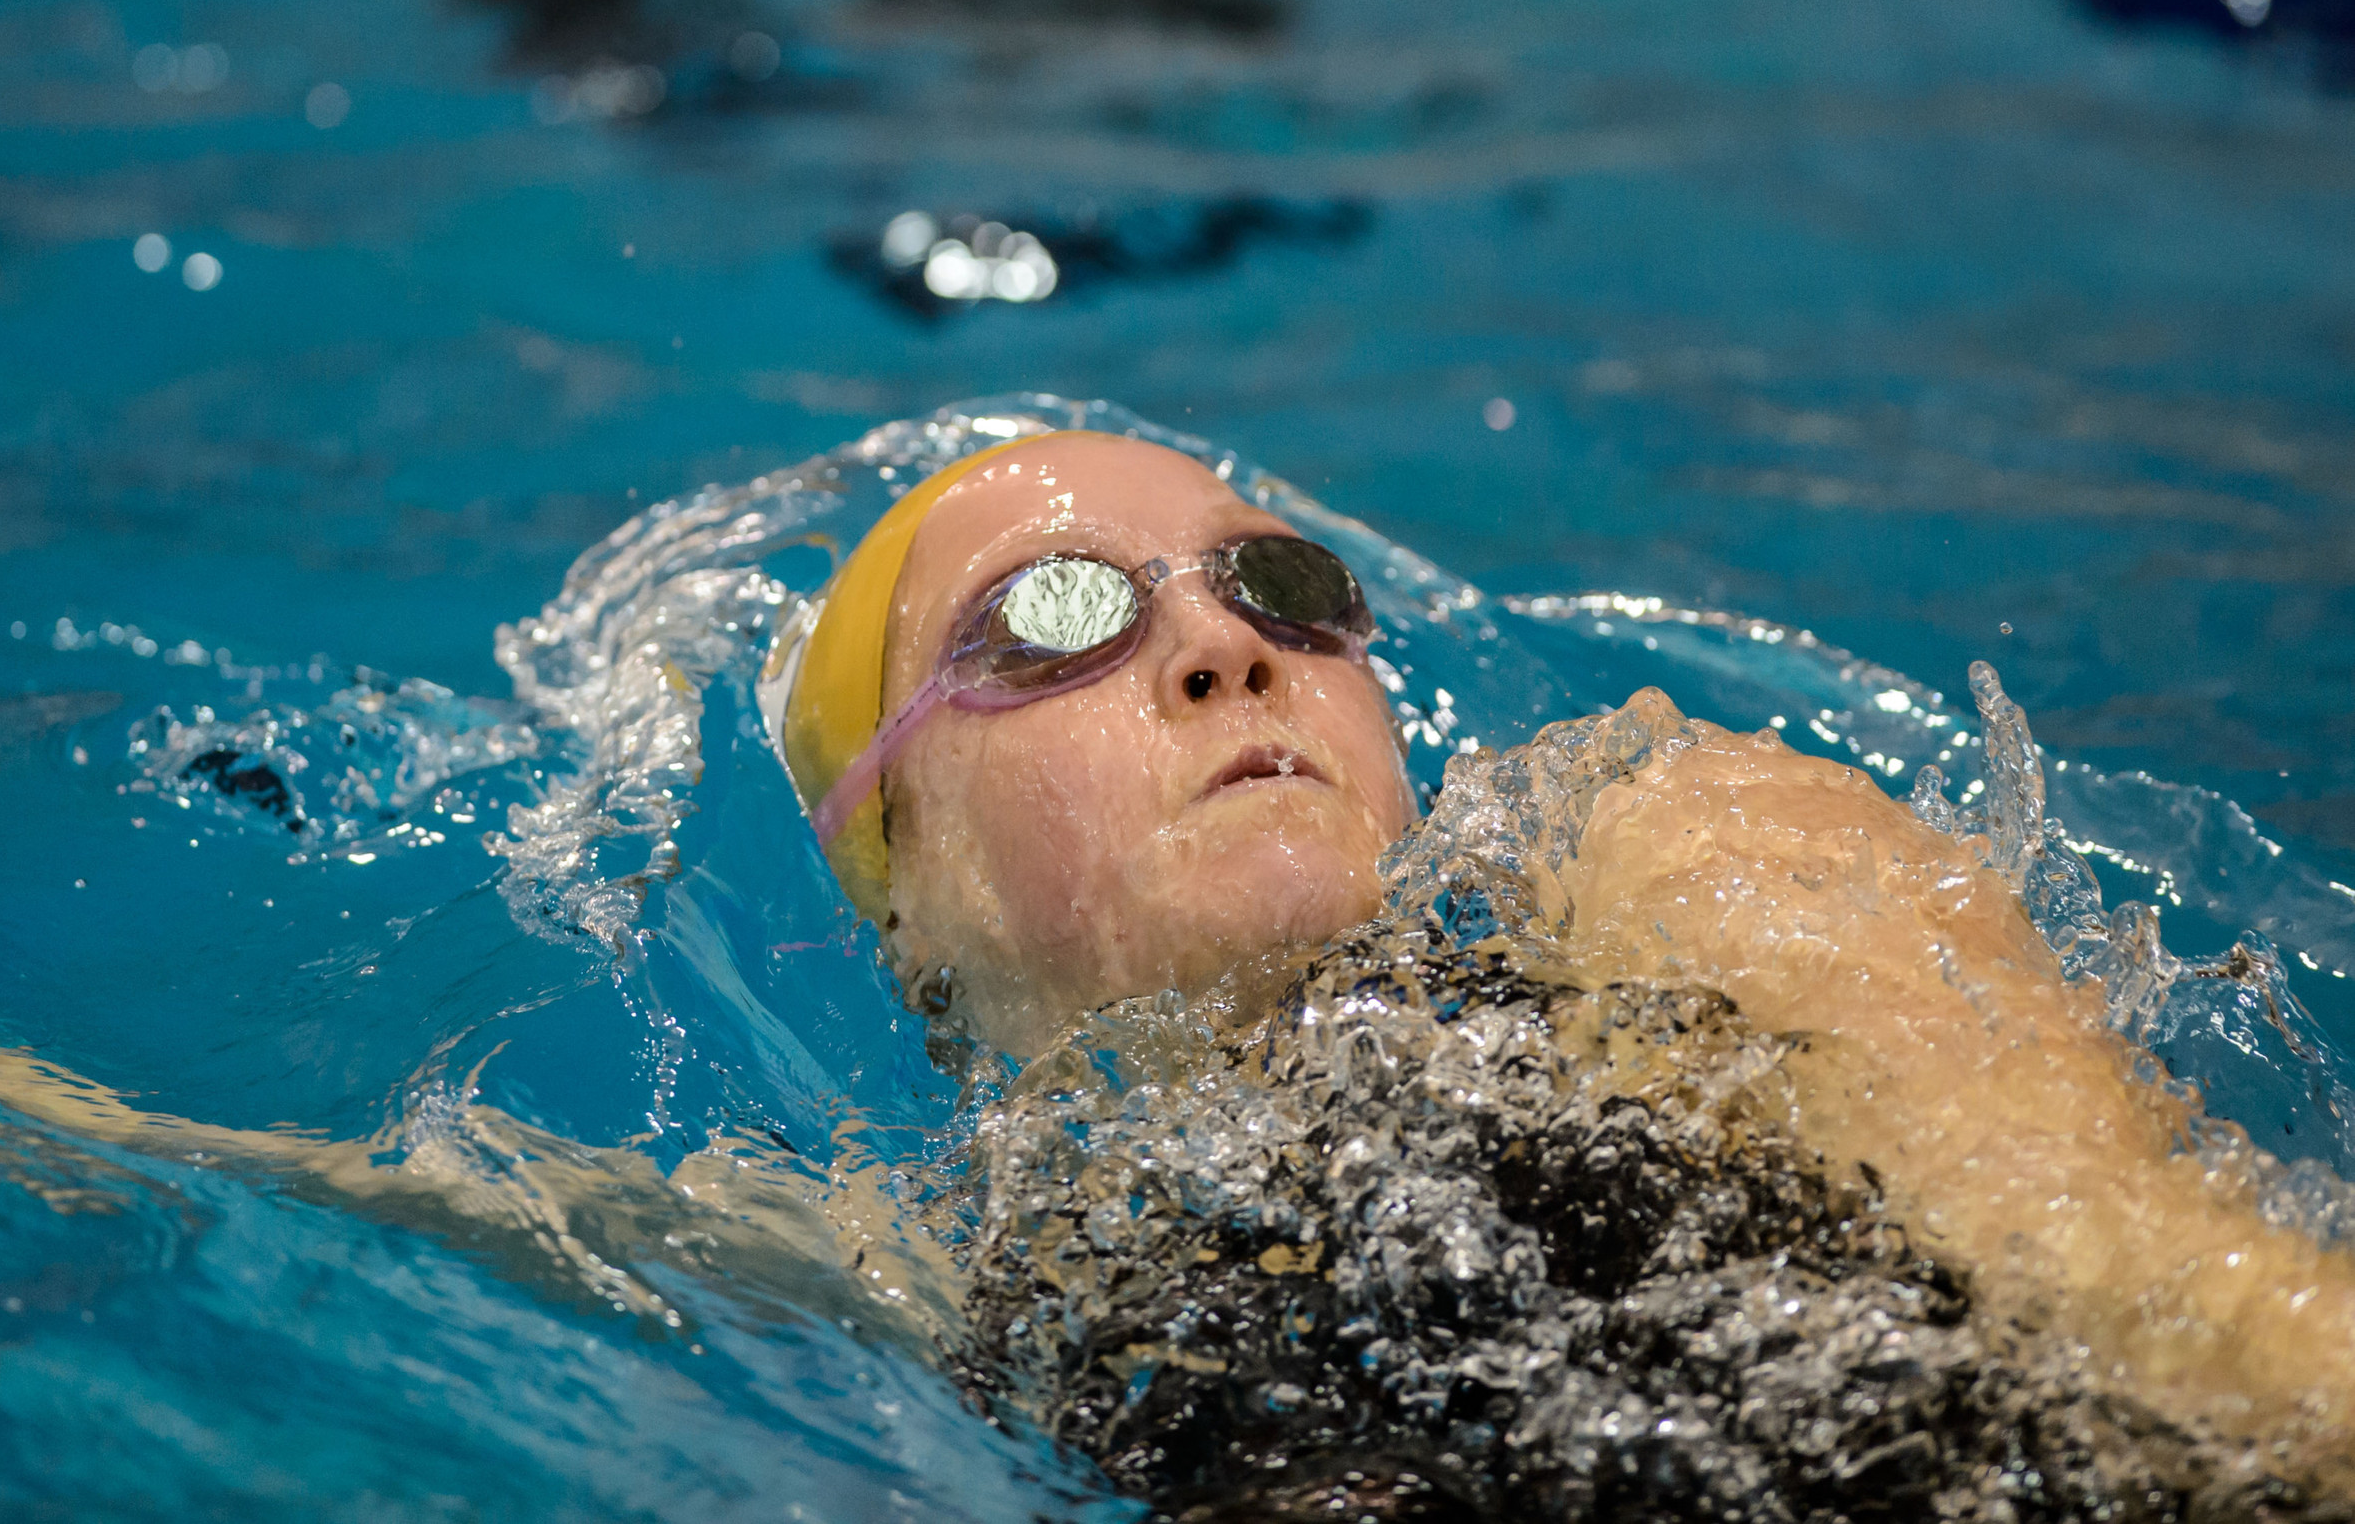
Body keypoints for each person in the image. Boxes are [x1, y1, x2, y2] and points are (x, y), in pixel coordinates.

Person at [772, 428, 2355, 1513]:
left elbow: (2159, 1298)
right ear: (906, 885)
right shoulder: (968, 1265)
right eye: (1058, 617)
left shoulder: (1684, 863)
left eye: (1283, 584)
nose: (1224, 647)